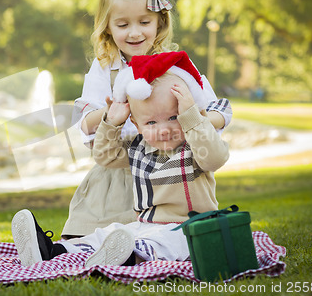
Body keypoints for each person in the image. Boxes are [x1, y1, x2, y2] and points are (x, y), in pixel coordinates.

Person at [12, 51, 230, 267]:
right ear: (135, 124)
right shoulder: (138, 147)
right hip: (145, 224)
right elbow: (104, 156)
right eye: (151, 123)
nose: (163, 130)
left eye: (173, 117)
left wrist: (192, 117)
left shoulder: (195, 143)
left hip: (193, 226)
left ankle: (127, 257)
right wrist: (112, 123)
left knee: (166, 241)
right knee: (112, 232)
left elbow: (215, 159)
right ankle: (54, 251)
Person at [61, 0, 232, 239]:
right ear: (107, 26)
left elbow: (218, 110)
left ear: (159, 23)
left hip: (168, 171)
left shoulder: (176, 66)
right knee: (92, 235)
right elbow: (85, 120)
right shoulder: (105, 67)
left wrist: (189, 119)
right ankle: (55, 250)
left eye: (144, 22)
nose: (134, 33)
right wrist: (114, 112)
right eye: (122, 24)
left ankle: (129, 253)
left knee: (155, 236)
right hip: (118, 169)